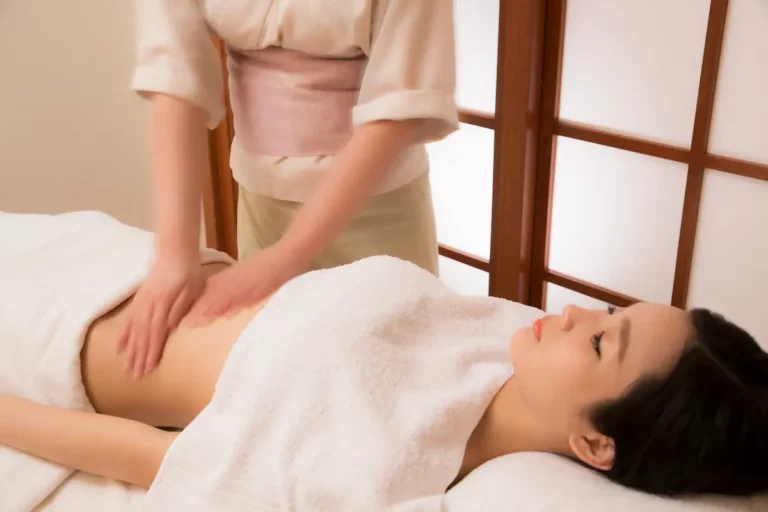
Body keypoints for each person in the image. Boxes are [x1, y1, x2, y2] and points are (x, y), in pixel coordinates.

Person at [1, 212, 767, 503]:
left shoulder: (390, 463)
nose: (568, 314)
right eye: (608, 311)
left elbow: (159, 461)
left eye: (602, 341)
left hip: (70, 333)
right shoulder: (499, 335)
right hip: (124, 258)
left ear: (595, 443)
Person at [123, 0, 459, 380]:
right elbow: (173, 75)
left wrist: (290, 254)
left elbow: (401, 102)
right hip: (262, 201)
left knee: (393, 373)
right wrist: (174, 256)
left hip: (378, 207)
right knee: (282, 372)